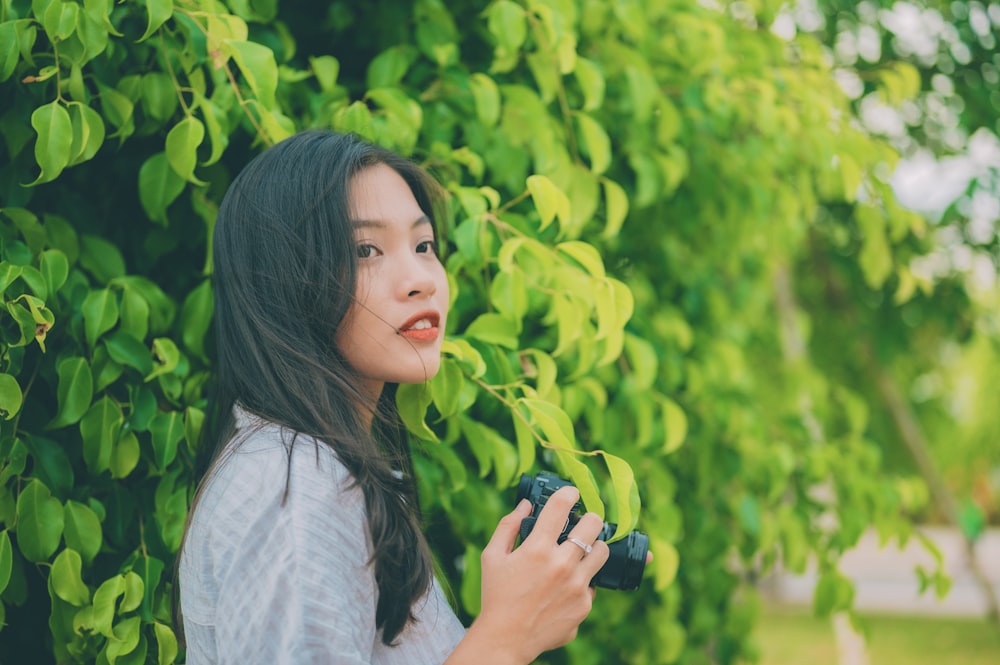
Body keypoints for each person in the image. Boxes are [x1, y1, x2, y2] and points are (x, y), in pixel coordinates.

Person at [177, 130, 612, 664]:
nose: (420, 280)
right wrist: (507, 635)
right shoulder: (292, 491)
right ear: (283, 282)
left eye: (423, 245)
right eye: (365, 250)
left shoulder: (312, 467)